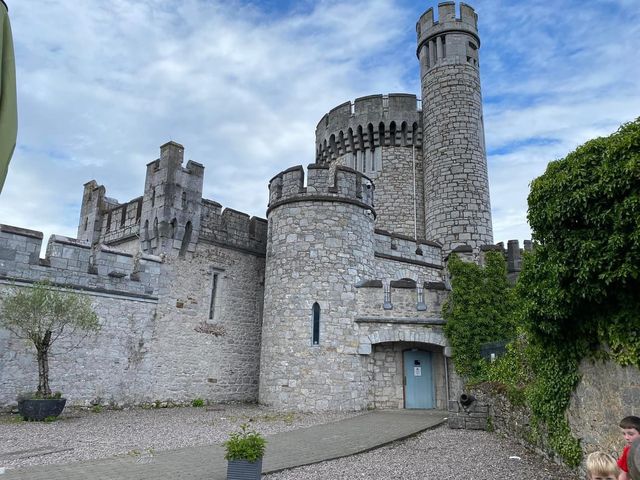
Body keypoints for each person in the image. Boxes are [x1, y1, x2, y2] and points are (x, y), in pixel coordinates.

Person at [618, 416, 640, 480]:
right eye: (624, 434)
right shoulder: (628, 450)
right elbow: (623, 474)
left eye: (631, 434)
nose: (626, 438)